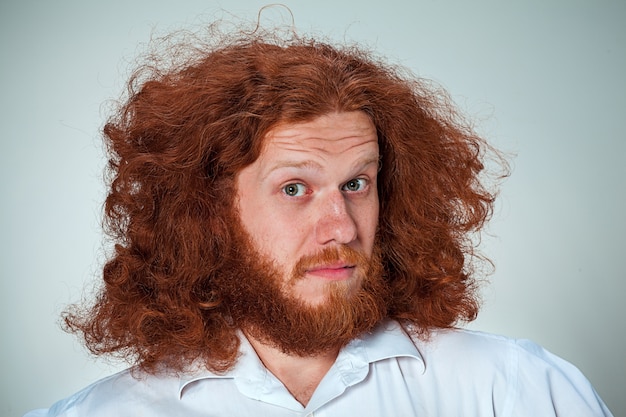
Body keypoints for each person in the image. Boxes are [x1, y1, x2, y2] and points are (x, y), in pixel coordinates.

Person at [25, 25, 613, 416]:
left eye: (357, 184)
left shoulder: (511, 391)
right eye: (295, 188)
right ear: (208, 214)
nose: (343, 227)